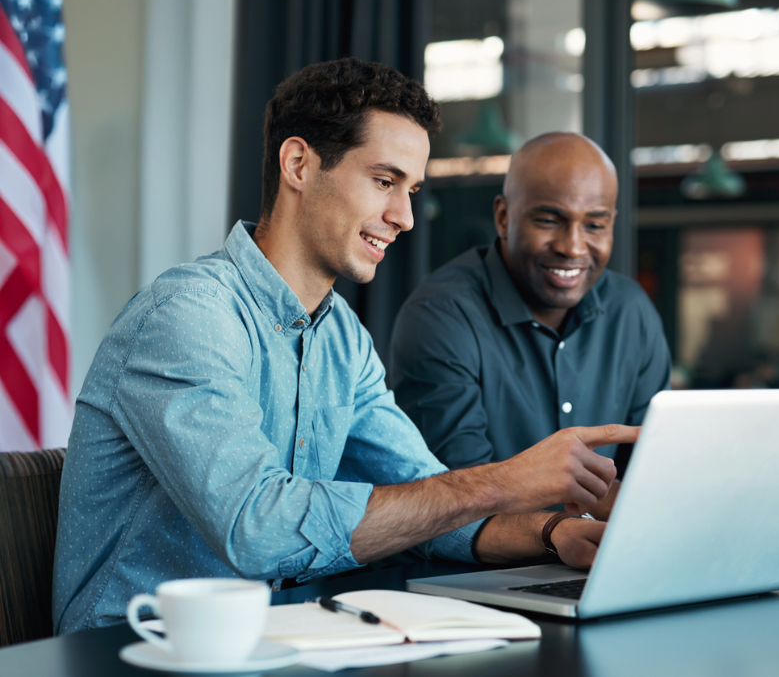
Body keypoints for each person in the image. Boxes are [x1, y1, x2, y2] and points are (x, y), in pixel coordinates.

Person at [52, 60, 637, 634]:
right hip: (133, 650)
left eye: (411, 190)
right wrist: (504, 480)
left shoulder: (342, 339)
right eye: (385, 181)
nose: (404, 217)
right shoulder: (189, 316)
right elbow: (259, 531)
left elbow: (431, 509)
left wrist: (552, 533)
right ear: (299, 164)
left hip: (276, 642)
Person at [388, 133, 671, 515]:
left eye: (594, 225)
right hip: (473, 571)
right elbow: (460, 496)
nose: (572, 247)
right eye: (550, 220)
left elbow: (655, 471)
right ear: (504, 217)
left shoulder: (630, 311)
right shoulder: (441, 315)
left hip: (603, 558)